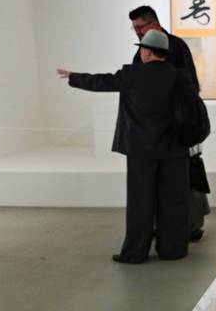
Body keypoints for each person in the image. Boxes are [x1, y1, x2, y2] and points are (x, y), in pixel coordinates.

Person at [58, 29, 196, 263]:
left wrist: (74, 77)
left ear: (148, 52)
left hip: (141, 149)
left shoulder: (132, 74)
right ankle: (173, 250)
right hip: (174, 148)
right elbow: (191, 108)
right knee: (173, 201)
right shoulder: (179, 76)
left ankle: (135, 252)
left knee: (140, 201)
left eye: (142, 49)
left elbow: (101, 82)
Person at [129, 6, 210, 242]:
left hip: (177, 125)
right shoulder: (144, 49)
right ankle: (166, 225)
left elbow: (188, 86)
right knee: (161, 180)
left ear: (153, 23)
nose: (137, 32)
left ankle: (190, 225)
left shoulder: (176, 46)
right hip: (155, 128)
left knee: (184, 177)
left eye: (140, 27)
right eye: (134, 28)